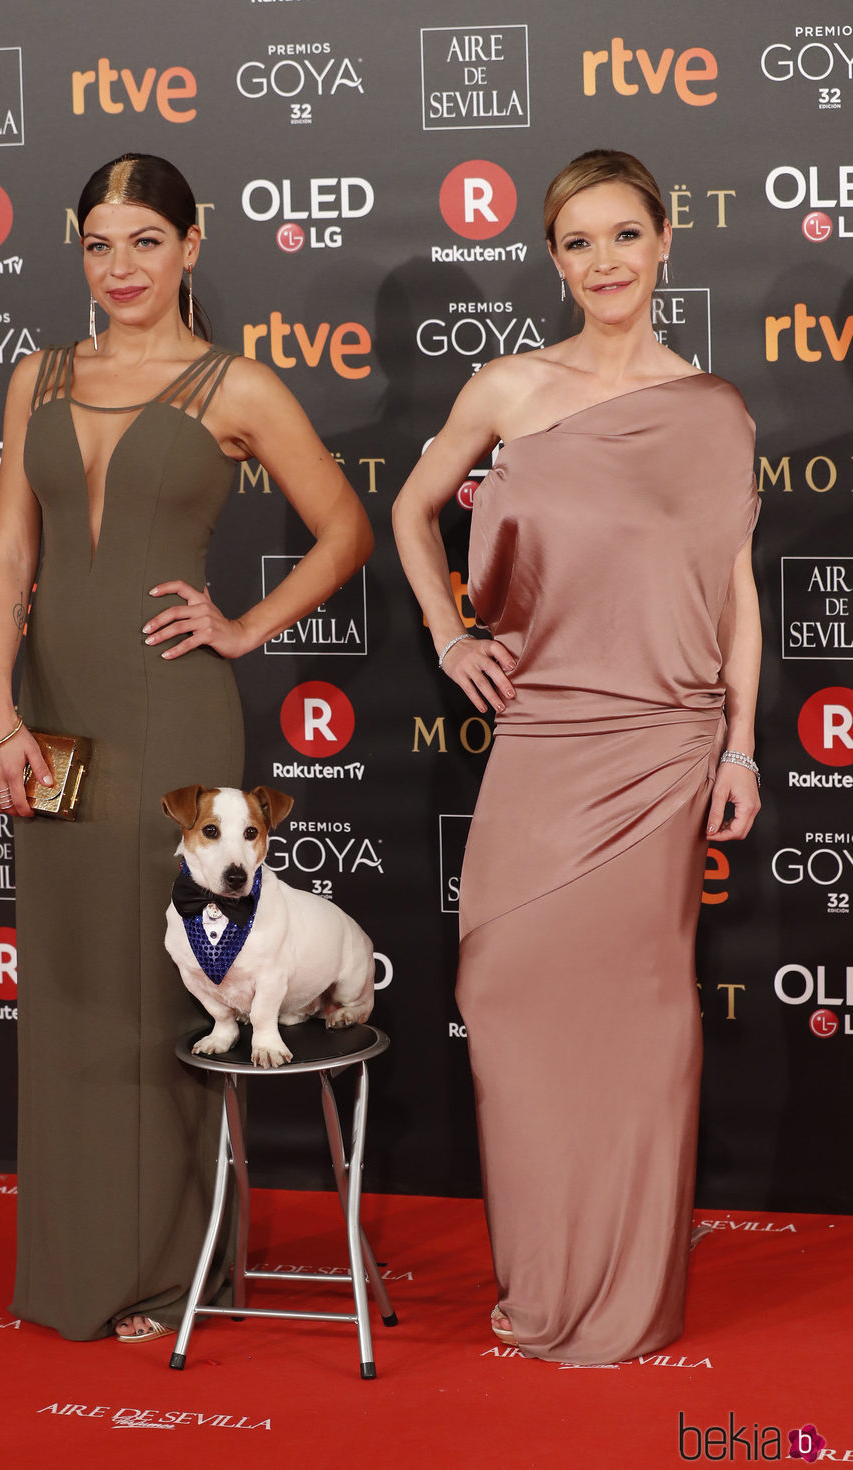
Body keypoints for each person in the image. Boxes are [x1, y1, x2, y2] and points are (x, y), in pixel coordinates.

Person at [0, 153, 373, 1343]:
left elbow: (346, 523)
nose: (121, 266)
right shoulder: (36, 374)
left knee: (171, 987)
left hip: (173, 718)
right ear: (76, 251)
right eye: (100, 243)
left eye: (146, 240)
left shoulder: (233, 386)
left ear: (192, 249)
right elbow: (7, 549)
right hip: (48, 716)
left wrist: (244, 626)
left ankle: (164, 1276)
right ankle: (69, 1265)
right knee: (69, 983)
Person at [392, 149, 760, 1365]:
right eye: (577, 243)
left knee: (641, 1020)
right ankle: (544, 1282)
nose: (603, 262)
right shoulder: (507, 388)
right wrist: (449, 633)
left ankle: (626, 1296)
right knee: (502, 997)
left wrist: (741, 749)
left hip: (663, 748)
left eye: (623, 236)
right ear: (552, 260)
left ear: (664, 242)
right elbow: (409, 507)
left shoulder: (708, 411)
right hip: (542, 735)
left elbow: (736, 596)